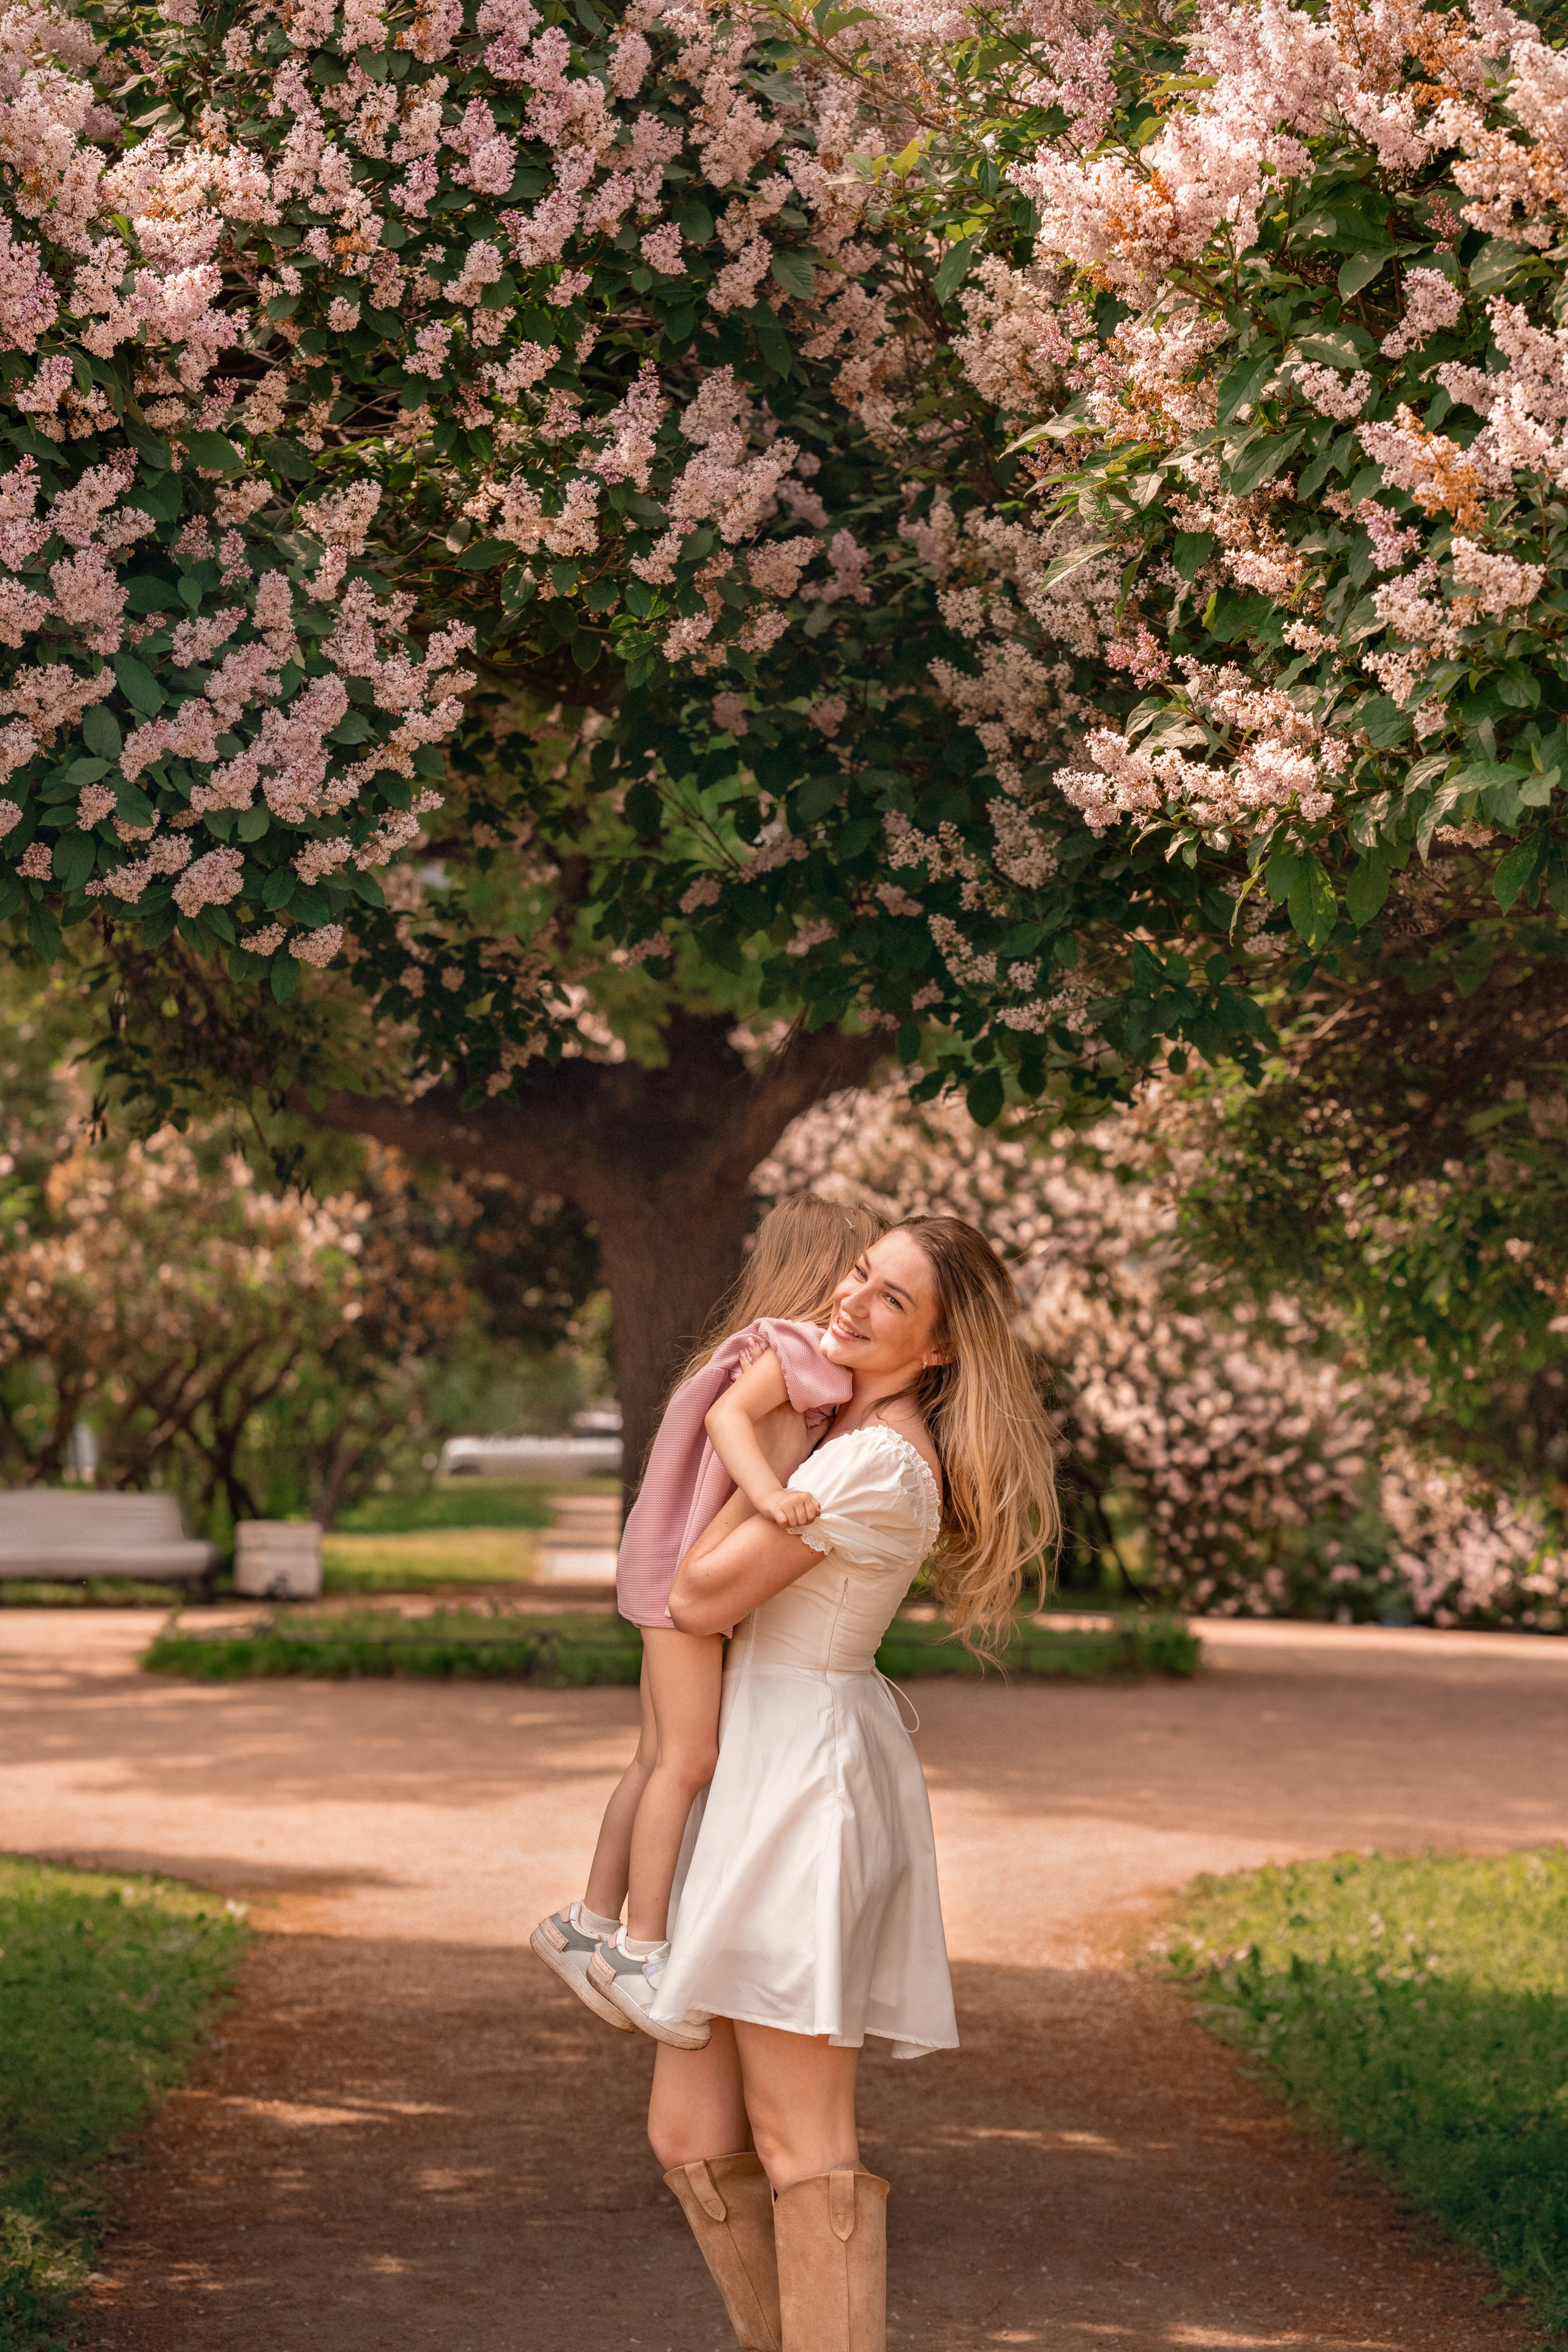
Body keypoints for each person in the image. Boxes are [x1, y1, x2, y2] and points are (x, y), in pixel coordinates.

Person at [643, 1216, 1058, 2352]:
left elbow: (697, 1598)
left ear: (936, 1350)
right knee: (689, 2133)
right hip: (768, 1764)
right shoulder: (845, 1440)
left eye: (891, 1300)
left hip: (806, 1788)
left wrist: (761, 1457)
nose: (851, 1300)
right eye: (860, 1276)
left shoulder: (872, 1462)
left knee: (800, 2137)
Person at [530, 1195, 887, 2041]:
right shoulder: (802, 1347)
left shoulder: (777, 1342)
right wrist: (771, 1496)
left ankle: (585, 1924)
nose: (861, 1298)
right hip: (682, 1577)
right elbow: (731, 1421)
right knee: (690, 1759)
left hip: (662, 1566)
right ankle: (639, 1950)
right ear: (824, 1267)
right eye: (858, 1271)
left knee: (657, 1756)